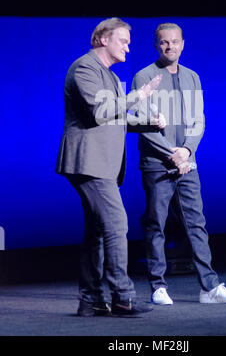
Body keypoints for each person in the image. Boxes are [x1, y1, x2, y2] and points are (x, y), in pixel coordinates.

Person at [56, 17, 164, 317]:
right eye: (123, 41)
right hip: (88, 163)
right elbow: (100, 112)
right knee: (116, 224)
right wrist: (139, 96)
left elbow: (114, 117)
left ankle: (91, 300)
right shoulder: (85, 68)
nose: (128, 47)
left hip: (103, 164)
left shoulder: (110, 76)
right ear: (103, 39)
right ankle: (122, 296)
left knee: (98, 232)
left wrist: (146, 122)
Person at [131, 22, 226, 305]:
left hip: (188, 162)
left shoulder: (192, 76)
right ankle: (158, 286)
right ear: (156, 45)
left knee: (197, 223)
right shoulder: (143, 76)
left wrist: (186, 151)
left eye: (174, 41)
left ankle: (209, 288)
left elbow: (199, 120)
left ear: (183, 44)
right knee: (156, 224)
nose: (169, 46)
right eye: (163, 42)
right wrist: (173, 154)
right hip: (158, 164)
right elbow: (145, 124)